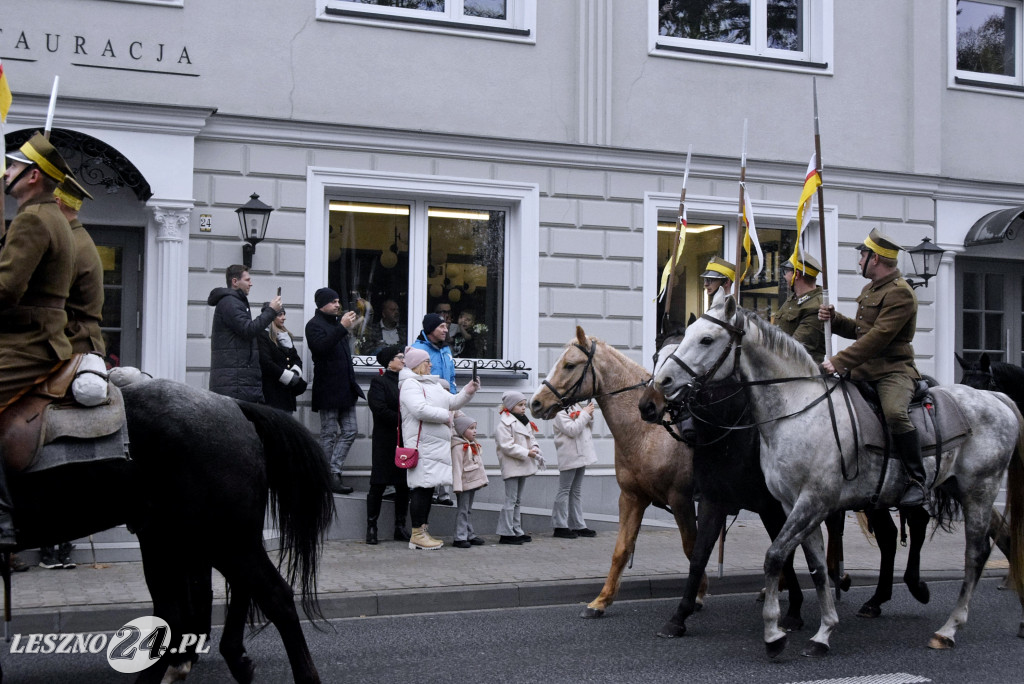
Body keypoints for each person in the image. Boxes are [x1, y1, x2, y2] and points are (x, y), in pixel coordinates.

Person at [0, 132, 77, 549]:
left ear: (31, 176)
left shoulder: (32, 218)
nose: (5, 173)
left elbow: (8, 289)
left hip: (29, 342)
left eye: (11, 167)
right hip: (41, 336)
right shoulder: (55, 217)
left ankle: (1, 515)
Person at [818, 228, 925, 506]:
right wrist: (835, 319)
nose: (859, 261)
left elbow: (879, 337)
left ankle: (917, 479)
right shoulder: (871, 289)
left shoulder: (901, 294)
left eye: (862, 255)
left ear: (874, 258)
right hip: (863, 371)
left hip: (892, 371)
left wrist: (839, 361)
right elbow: (862, 331)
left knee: (894, 414)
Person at [399, 346, 479, 550]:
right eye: (427, 362)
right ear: (417, 365)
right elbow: (419, 410)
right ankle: (417, 533)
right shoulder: (410, 384)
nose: (431, 364)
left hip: (435, 446)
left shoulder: (431, 384)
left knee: (427, 489)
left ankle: (423, 532)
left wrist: (467, 391)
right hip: (422, 446)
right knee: (421, 488)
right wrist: (446, 417)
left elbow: (451, 402)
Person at [306, 287, 365, 495]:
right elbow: (320, 349)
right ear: (322, 304)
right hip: (328, 389)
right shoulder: (313, 325)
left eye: (338, 301)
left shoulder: (338, 324)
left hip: (345, 387)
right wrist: (342, 327)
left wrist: (351, 324)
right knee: (329, 433)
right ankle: (325, 476)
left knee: (350, 430)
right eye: (333, 302)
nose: (338, 304)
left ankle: (333, 471)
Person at [207, 264, 282, 402]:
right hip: (235, 384)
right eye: (247, 280)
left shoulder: (233, 302)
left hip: (237, 381)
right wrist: (271, 310)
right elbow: (248, 330)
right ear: (235, 282)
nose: (251, 283)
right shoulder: (230, 302)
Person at [365, 344, 411, 545]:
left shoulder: (408, 382)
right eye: (400, 357)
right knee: (379, 483)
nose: (403, 360)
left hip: (404, 439)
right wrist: (404, 419)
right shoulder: (379, 382)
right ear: (389, 361)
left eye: (403, 356)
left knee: (403, 485)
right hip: (385, 440)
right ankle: (371, 527)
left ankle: (400, 527)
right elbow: (379, 409)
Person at [54, 174, 104, 356]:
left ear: (57, 203)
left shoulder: (70, 244)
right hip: (77, 338)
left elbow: (47, 298)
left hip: (74, 342)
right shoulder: (75, 237)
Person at [413, 312, 457, 505]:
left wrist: (455, 400)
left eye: (446, 327)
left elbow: (452, 377)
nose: (446, 330)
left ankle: (443, 491)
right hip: (429, 404)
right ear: (430, 329)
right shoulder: (418, 350)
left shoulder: (446, 349)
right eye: (441, 327)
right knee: (430, 448)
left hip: (448, 403)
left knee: (446, 446)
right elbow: (415, 378)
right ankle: (428, 490)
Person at [495, 391, 544, 545]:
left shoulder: (524, 421)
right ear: (510, 406)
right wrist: (527, 452)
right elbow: (506, 446)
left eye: (524, 405)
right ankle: (506, 532)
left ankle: (516, 530)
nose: (524, 408)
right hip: (512, 465)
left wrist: (535, 448)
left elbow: (532, 438)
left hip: (522, 463)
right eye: (520, 405)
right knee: (510, 500)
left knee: (517, 500)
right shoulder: (504, 424)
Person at [551, 401, 598, 539]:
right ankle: (559, 525)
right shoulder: (559, 411)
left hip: (581, 454)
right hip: (570, 455)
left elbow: (587, 427)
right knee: (564, 490)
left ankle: (578, 525)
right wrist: (585, 414)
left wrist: (589, 415)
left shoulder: (575, 406)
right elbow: (572, 430)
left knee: (576, 491)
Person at [774, 252, 825, 363]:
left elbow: (793, 348)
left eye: (786, 272)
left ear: (796, 275)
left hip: (801, 375)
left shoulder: (816, 306)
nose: (784, 276)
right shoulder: (794, 299)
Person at [450, 414, 488, 548]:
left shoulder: (472, 444)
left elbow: (478, 465)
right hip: (464, 484)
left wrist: (482, 480)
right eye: (471, 428)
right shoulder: (458, 447)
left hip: (472, 483)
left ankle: (469, 534)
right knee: (463, 509)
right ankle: (459, 537)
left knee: (468, 510)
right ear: (461, 430)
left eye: (475, 428)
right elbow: (457, 468)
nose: (475, 431)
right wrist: (457, 486)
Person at [257, 307, 305, 412]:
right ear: (271, 317)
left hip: (287, 394)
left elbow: (296, 359)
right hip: (272, 393)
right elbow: (266, 362)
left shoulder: (286, 336)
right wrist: (287, 376)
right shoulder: (262, 336)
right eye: (280, 315)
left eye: (284, 314)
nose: (284, 318)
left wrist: (294, 373)